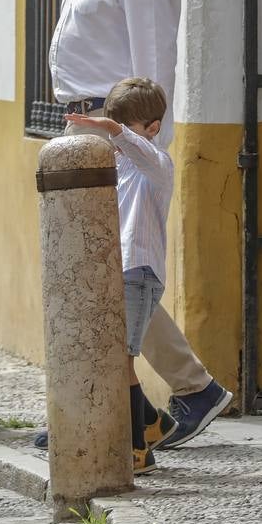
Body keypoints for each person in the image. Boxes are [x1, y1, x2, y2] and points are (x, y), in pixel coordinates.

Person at [44, 0, 232, 449]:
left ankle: (114, 415)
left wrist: (144, 144)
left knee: (111, 275)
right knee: (106, 273)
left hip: (118, 136)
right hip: (88, 129)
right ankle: (188, 391)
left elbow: (154, 63)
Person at [66, 78, 176, 474]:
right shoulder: (119, 162)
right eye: (118, 127)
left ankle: (138, 450)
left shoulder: (157, 164)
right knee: (116, 357)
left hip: (140, 270)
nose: (120, 137)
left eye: (131, 129)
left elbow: (137, 148)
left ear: (153, 128)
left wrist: (116, 131)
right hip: (117, 268)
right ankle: (153, 423)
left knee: (121, 360)